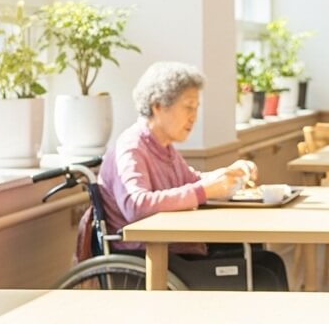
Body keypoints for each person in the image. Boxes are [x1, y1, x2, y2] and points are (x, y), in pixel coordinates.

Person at [90, 61, 289, 290]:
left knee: (269, 262)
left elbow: (192, 180)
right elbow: (136, 205)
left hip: (177, 250)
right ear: (157, 106)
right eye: (188, 106)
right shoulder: (132, 147)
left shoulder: (163, 146)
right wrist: (205, 190)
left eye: (196, 107)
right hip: (152, 258)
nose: (194, 116)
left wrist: (228, 174)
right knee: (264, 275)